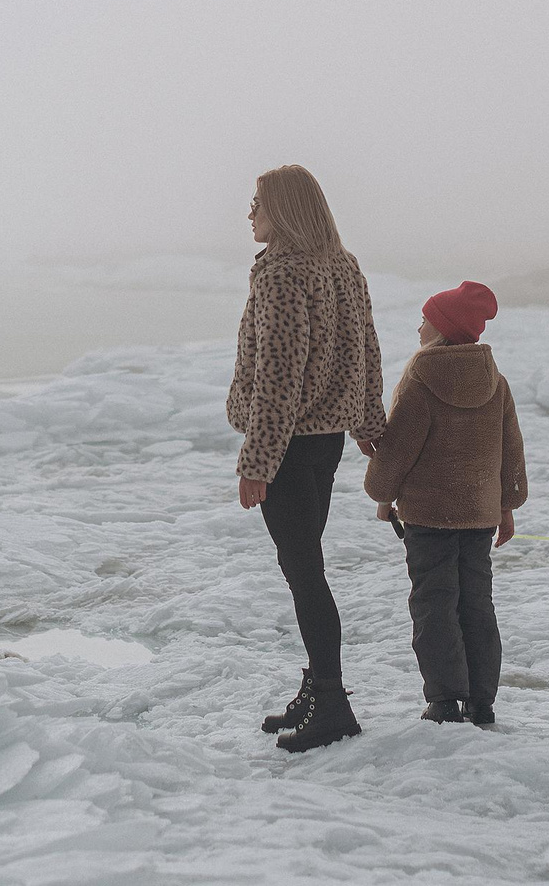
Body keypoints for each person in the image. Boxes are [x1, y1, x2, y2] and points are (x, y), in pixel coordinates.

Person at [227, 164, 385, 753]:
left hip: (291, 446)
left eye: (258, 203)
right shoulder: (341, 264)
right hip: (326, 442)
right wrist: (370, 426)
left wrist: (257, 461)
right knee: (307, 568)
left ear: (286, 210)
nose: (250, 213)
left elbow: (279, 374)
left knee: (305, 575)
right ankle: (320, 690)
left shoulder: (284, 274)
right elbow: (366, 348)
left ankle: (333, 701)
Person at [363, 280, 525, 727]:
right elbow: (509, 447)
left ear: (439, 329)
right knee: (477, 602)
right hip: (479, 516)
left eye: (424, 320)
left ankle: (444, 700)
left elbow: (399, 449)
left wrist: (383, 492)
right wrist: (506, 506)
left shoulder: (420, 377)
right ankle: (482, 701)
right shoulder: (496, 380)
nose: (418, 328)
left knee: (434, 602)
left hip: (428, 516)